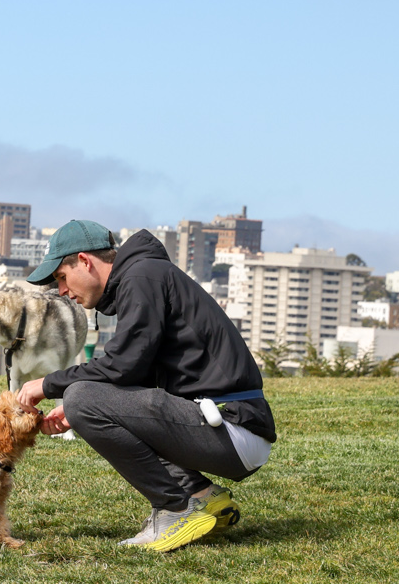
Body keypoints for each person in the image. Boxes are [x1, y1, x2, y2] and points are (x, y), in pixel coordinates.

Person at [15, 220, 276, 552]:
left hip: (230, 424)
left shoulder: (142, 277)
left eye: (62, 278)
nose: (62, 291)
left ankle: (175, 509)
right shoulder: (144, 276)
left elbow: (123, 365)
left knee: (80, 396)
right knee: (81, 400)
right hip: (230, 423)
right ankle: (203, 498)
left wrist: (50, 384)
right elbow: (136, 376)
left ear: (85, 261)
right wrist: (78, 409)